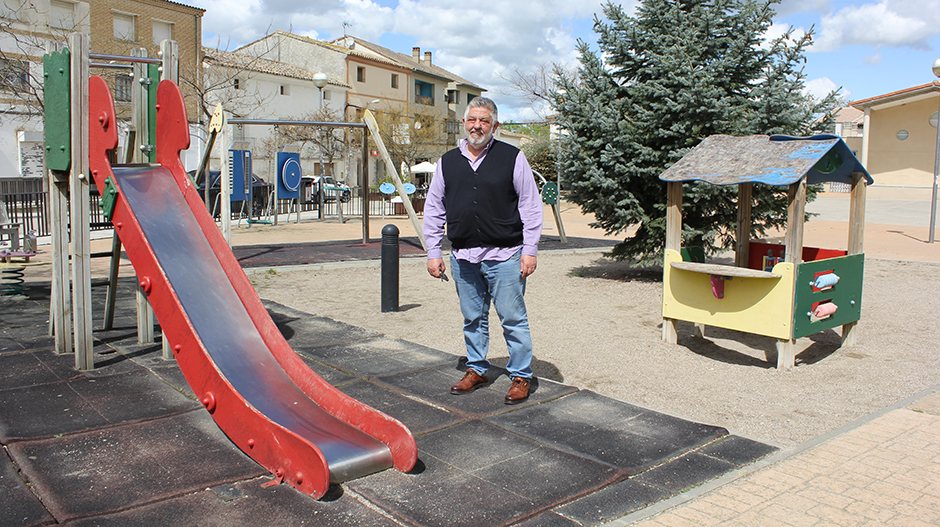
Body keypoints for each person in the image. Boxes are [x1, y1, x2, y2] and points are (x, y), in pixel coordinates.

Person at [423, 96, 543, 405]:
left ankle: (521, 375)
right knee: (472, 318)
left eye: (484, 121)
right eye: (473, 120)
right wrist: (433, 252)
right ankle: (477, 368)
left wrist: (530, 249)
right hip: (463, 255)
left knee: (513, 318)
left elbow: (530, 206)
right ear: (464, 123)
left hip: (506, 254)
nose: (478, 125)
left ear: (495, 126)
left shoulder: (512, 158)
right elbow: (434, 208)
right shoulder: (447, 162)